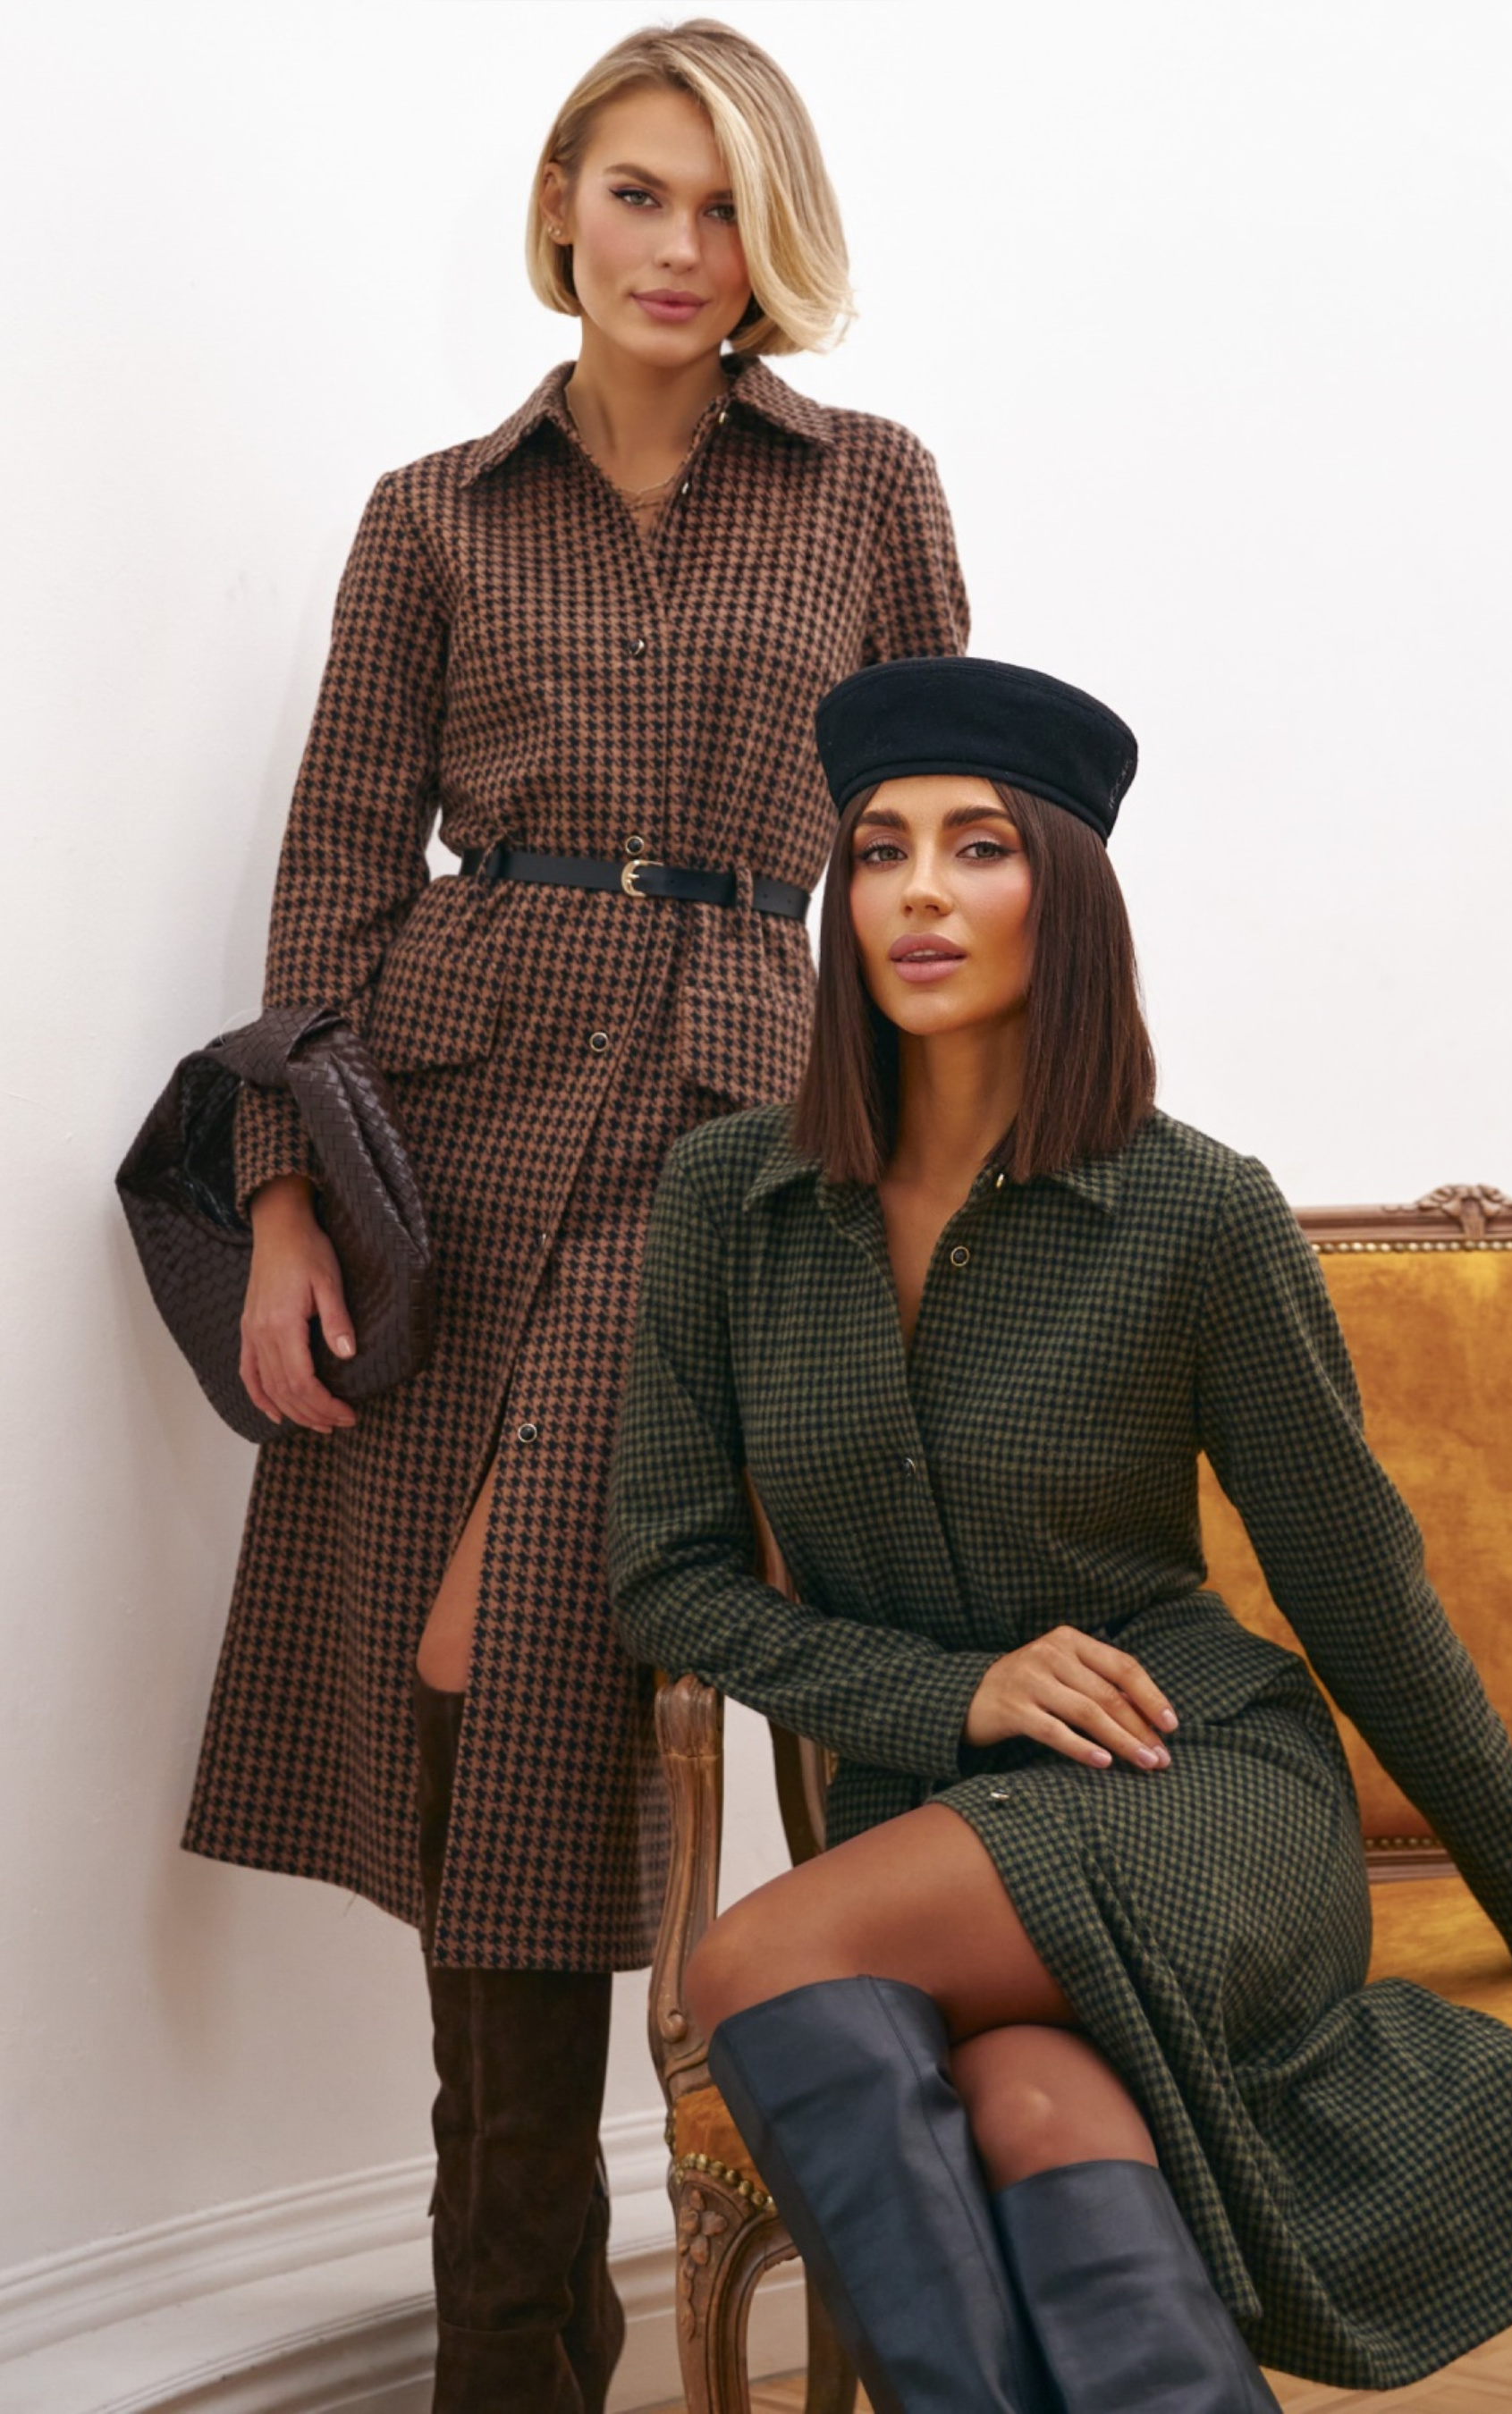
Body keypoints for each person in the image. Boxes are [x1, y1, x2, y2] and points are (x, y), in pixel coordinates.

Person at [607, 655, 1512, 2413]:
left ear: (1066, 896)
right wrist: (953, 1695)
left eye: (977, 848)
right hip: (931, 1825)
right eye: (878, 851)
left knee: (756, 1956)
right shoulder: (730, 1199)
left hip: (1194, 1781)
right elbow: (666, 1575)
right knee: (1033, 2103)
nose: (919, 892)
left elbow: (1354, 1583)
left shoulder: (1193, 1212)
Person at [180, 23, 967, 2410]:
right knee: (488, 1697)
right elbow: (335, 864)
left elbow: (943, 845)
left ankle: (512, 2348)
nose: (679, 248)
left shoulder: (864, 484)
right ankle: (520, 2331)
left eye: (725, 207)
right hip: (446, 1126)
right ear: (558, 207)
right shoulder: (431, 515)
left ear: (772, 241)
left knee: (496, 1641)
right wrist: (284, 1199)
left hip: (730, 1119)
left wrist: (945, 1180)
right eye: (638, 193)